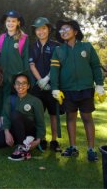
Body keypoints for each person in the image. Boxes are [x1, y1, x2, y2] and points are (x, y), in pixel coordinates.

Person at [50, 19, 106, 162]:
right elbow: (54, 71)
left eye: (67, 28)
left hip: (86, 89)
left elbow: (95, 66)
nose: (64, 31)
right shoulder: (58, 50)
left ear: (75, 31)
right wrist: (55, 88)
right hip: (68, 91)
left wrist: (99, 85)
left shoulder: (87, 47)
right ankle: (73, 147)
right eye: (61, 30)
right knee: (70, 118)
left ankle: (91, 149)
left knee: (87, 118)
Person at [0, 72, 45, 161]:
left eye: (24, 83)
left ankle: (22, 150)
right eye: (18, 83)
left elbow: (40, 123)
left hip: (29, 131)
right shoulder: (9, 99)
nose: (20, 85)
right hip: (15, 129)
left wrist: (38, 140)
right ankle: (21, 143)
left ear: (28, 86)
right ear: (14, 86)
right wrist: (7, 133)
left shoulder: (35, 101)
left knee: (15, 114)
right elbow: (6, 117)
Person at [29, 17, 62, 152]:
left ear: (48, 29)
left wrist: (47, 79)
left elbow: (56, 65)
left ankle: (54, 141)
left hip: (52, 86)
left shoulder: (56, 46)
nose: (41, 31)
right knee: (39, 115)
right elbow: (32, 65)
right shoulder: (32, 47)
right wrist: (40, 81)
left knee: (53, 115)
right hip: (38, 86)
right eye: (38, 29)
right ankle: (41, 139)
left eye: (43, 28)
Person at [0, 10, 29, 112]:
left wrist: (25, 78)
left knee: (16, 106)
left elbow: (25, 59)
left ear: (18, 23)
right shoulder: (1, 38)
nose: (10, 23)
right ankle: (2, 125)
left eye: (13, 21)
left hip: (17, 79)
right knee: (2, 103)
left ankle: (14, 127)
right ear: (5, 22)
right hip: (2, 77)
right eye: (8, 21)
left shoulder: (24, 38)